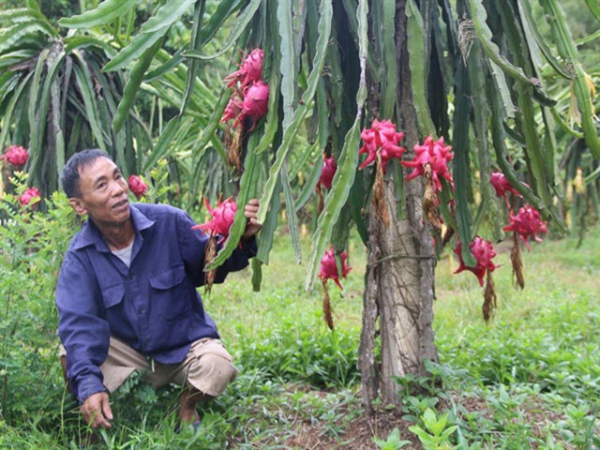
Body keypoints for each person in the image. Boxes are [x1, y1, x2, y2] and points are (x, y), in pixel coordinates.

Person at [56, 149, 261, 430]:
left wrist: (239, 237)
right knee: (69, 355)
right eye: (102, 185)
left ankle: (187, 405)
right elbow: (78, 325)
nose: (117, 190)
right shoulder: (80, 257)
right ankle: (102, 416)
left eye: (118, 177)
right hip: (128, 356)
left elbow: (210, 264)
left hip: (183, 350)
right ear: (79, 205)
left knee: (218, 365)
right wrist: (89, 386)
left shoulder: (169, 222)